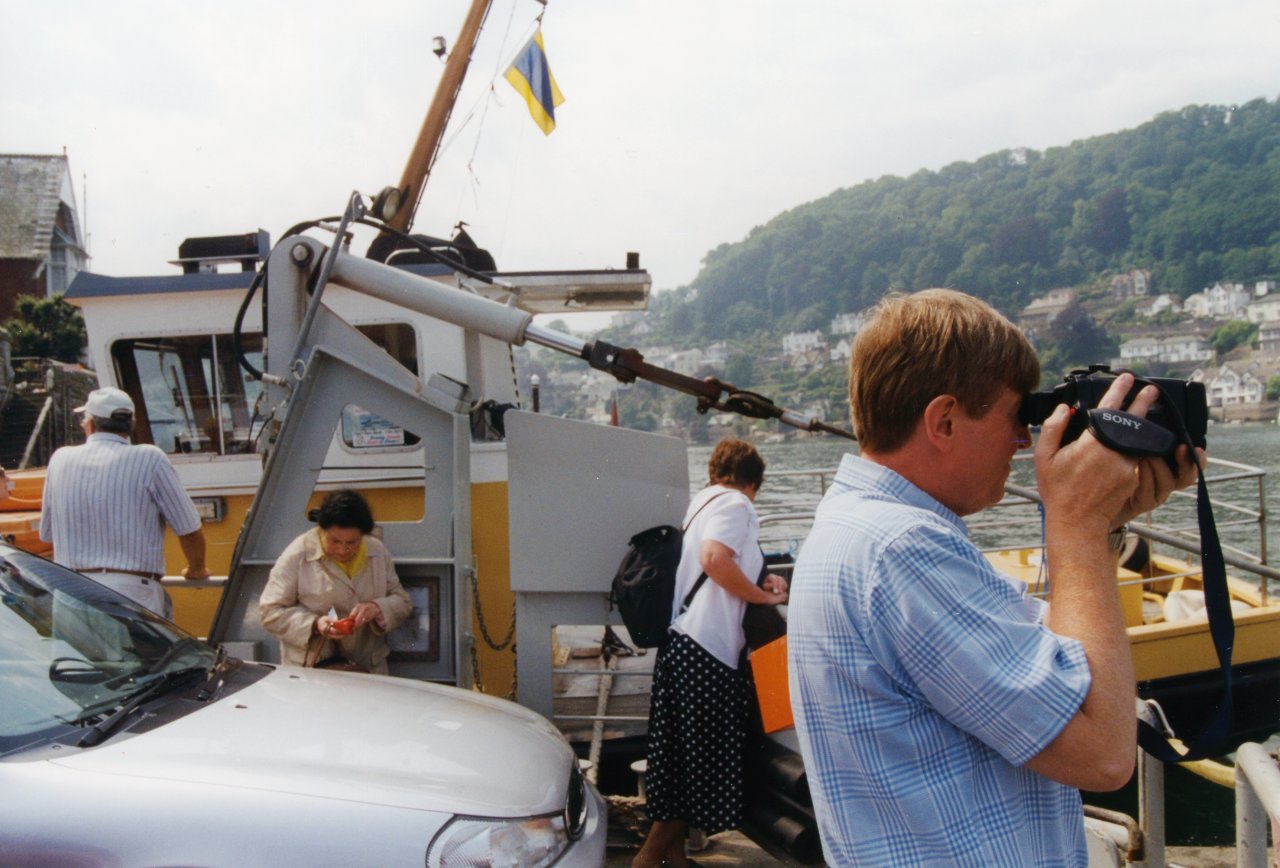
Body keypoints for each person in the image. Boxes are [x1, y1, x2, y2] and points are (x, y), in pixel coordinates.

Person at [788, 289, 1202, 866]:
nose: (1023, 442)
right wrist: (1078, 522)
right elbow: (1104, 755)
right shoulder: (903, 550)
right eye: (1016, 417)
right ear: (945, 420)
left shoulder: (859, 529)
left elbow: (1063, 663)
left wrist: (1103, 525)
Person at [633, 437, 790, 868]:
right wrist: (761, 599)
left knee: (677, 759)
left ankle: (676, 858)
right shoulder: (738, 506)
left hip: (681, 643)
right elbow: (715, 558)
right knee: (700, 764)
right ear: (752, 482)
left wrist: (762, 580)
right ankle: (646, 860)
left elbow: (713, 561)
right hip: (709, 651)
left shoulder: (703, 502)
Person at [39, 387, 210, 617]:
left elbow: (46, 534)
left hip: (71, 591)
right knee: (136, 654)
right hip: (131, 593)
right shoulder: (150, 458)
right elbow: (188, 528)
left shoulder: (59, 459)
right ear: (131, 424)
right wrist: (196, 568)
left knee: (74, 655)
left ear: (90, 424)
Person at [259, 489, 412, 674]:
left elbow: (402, 601)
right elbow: (269, 612)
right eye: (335, 541)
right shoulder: (298, 553)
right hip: (313, 671)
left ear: (363, 536)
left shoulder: (377, 550)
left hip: (368, 669)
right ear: (322, 530)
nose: (342, 550)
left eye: (352, 542)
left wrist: (376, 608)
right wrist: (315, 625)